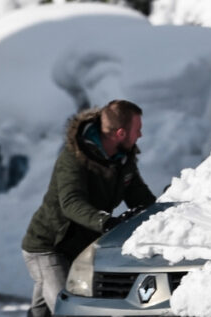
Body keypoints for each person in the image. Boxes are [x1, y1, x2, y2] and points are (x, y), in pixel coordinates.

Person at [21, 99, 156, 317]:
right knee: (68, 309)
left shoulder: (122, 160)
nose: (140, 135)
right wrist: (106, 222)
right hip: (49, 246)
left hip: (79, 247)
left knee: (42, 312)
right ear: (120, 133)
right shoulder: (74, 158)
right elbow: (71, 202)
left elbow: (139, 197)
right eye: (137, 130)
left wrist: (165, 214)